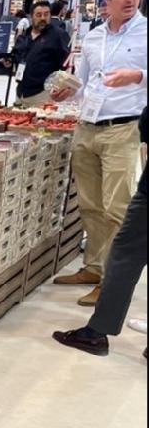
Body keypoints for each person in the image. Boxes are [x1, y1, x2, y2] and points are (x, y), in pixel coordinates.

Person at [50, 0, 147, 306]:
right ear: (106, 0)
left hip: (123, 128)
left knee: (116, 209)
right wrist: (67, 93)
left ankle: (111, 284)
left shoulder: (147, 33)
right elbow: (84, 83)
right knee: (89, 206)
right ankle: (92, 267)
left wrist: (138, 76)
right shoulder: (93, 36)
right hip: (86, 127)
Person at [53, 107, 147, 357]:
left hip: (122, 132)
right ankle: (94, 274)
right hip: (92, 124)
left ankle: (97, 332)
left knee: (125, 253)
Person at [9, 1, 72, 107]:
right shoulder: (24, 36)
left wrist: (61, 88)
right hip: (21, 92)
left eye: (46, 14)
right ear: (31, 17)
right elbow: (16, 56)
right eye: (39, 15)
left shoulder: (58, 35)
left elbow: (67, 64)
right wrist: (9, 61)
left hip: (43, 94)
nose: (43, 18)